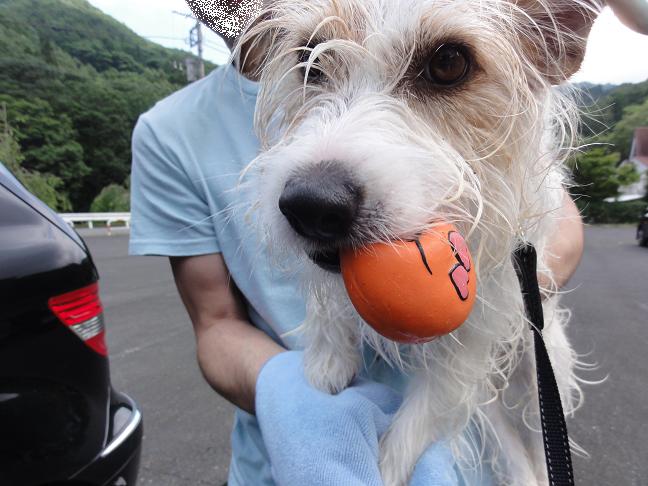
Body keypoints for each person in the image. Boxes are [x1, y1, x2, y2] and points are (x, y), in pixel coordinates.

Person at [127, 2, 624, 483]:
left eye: (446, 65)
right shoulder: (167, 131)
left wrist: (503, 296)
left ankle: (526, 463)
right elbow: (215, 323)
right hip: (279, 466)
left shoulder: (523, 135)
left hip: (471, 458)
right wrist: (286, 395)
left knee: (532, 401)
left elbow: (558, 226)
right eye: (310, 64)